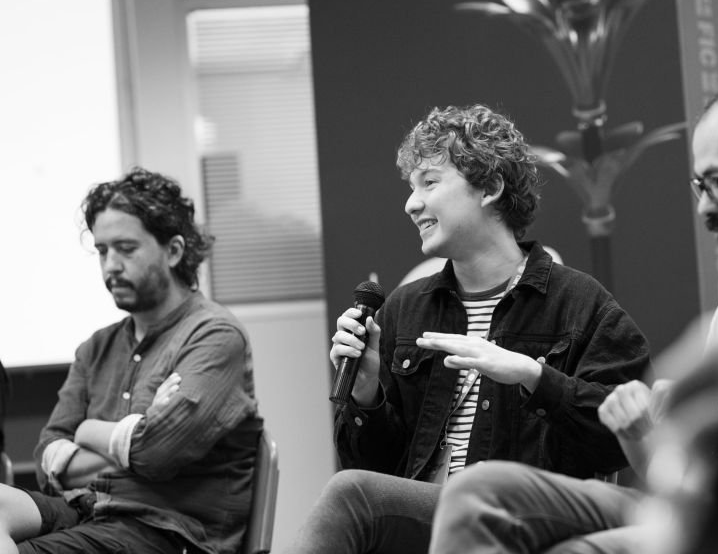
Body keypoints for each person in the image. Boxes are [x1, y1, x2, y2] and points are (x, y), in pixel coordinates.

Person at [427, 79, 718, 554]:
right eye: (698, 186)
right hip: (706, 509)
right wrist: (641, 433)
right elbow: (678, 480)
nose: (706, 206)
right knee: (479, 491)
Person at [284, 104, 651, 554]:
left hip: (513, 520)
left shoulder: (580, 304)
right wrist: (366, 395)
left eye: (430, 182)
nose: (411, 203)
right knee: (351, 489)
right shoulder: (406, 307)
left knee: (350, 495)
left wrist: (536, 378)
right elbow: (375, 465)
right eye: (410, 186)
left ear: (490, 188)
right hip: (424, 522)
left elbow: (621, 440)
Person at [0, 168, 262, 554]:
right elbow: (47, 458)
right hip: (90, 508)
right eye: (103, 250)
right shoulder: (96, 347)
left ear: (173, 251)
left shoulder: (215, 335)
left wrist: (88, 431)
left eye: (126, 248)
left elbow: (154, 454)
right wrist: (131, 433)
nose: (110, 266)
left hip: (167, 530)